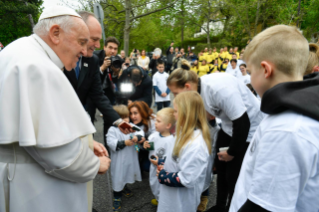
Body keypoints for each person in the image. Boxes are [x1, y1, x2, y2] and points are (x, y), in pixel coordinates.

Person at [0, 6, 111, 212]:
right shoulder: (37, 67)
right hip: (34, 189)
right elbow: (56, 152)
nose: (85, 52)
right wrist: (95, 165)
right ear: (55, 33)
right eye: (81, 42)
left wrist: (85, 142)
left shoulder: (22, 51)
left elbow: (42, 130)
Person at [230, 25, 319, 212]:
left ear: (265, 70)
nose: (251, 80)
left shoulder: (287, 130)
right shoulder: (291, 116)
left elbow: (266, 207)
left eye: (251, 72)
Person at [167, 60, 264, 212]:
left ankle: (232, 207)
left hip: (249, 129)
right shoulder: (197, 91)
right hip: (228, 126)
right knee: (220, 167)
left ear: (187, 86)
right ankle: (220, 206)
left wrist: (232, 152)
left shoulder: (219, 89)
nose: (174, 98)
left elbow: (243, 123)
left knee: (233, 175)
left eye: (175, 94)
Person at [63, 11, 132, 151]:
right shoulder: (58, 58)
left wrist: (119, 122)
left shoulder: (91, 59)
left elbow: (98, 94)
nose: (97, 44)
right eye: (94, 39)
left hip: (84, 119)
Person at [156, 91, 211, 212]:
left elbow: (187, 179)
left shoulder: (196, 145)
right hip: (171, 198)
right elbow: (175, 155)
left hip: (181, 203)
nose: (173, 114)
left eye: (175, 111)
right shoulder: (182, 133)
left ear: (186, 114)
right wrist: (162, 163)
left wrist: (163, 176)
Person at [106, 105, 145, 212]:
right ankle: (117, 196)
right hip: (118, 160)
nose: (125, 121)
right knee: (118, 177)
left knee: (128, 173)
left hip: (130, 158)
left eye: (126, 117)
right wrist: (124, 143)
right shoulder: (112, 130)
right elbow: (111, 143)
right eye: (122, 119)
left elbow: (141, 133)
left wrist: (138, 137)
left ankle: (124, 187)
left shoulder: (131, 126)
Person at [143, 108, 175, 206]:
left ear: (168, 125)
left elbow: (171, 158)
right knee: (154, 184)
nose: (155, 123)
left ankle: (163, 203)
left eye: (158, 121)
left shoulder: (171, 141)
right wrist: (146, 145)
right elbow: (151, 147)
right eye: (155, 120)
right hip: (153, 168)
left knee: (163, 187)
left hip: (163, 169)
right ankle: (158, 198)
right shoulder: (154, 136)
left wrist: (159, 162)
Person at [128, 101, 156, 172]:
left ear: (143, 112)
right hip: (138, 147)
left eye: (135, 113)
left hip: (152, 149)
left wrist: (144, 141)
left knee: (146, 167)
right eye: (131, 113)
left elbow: (156, 144)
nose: (133, 116)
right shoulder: (129, 121)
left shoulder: (153, 122)